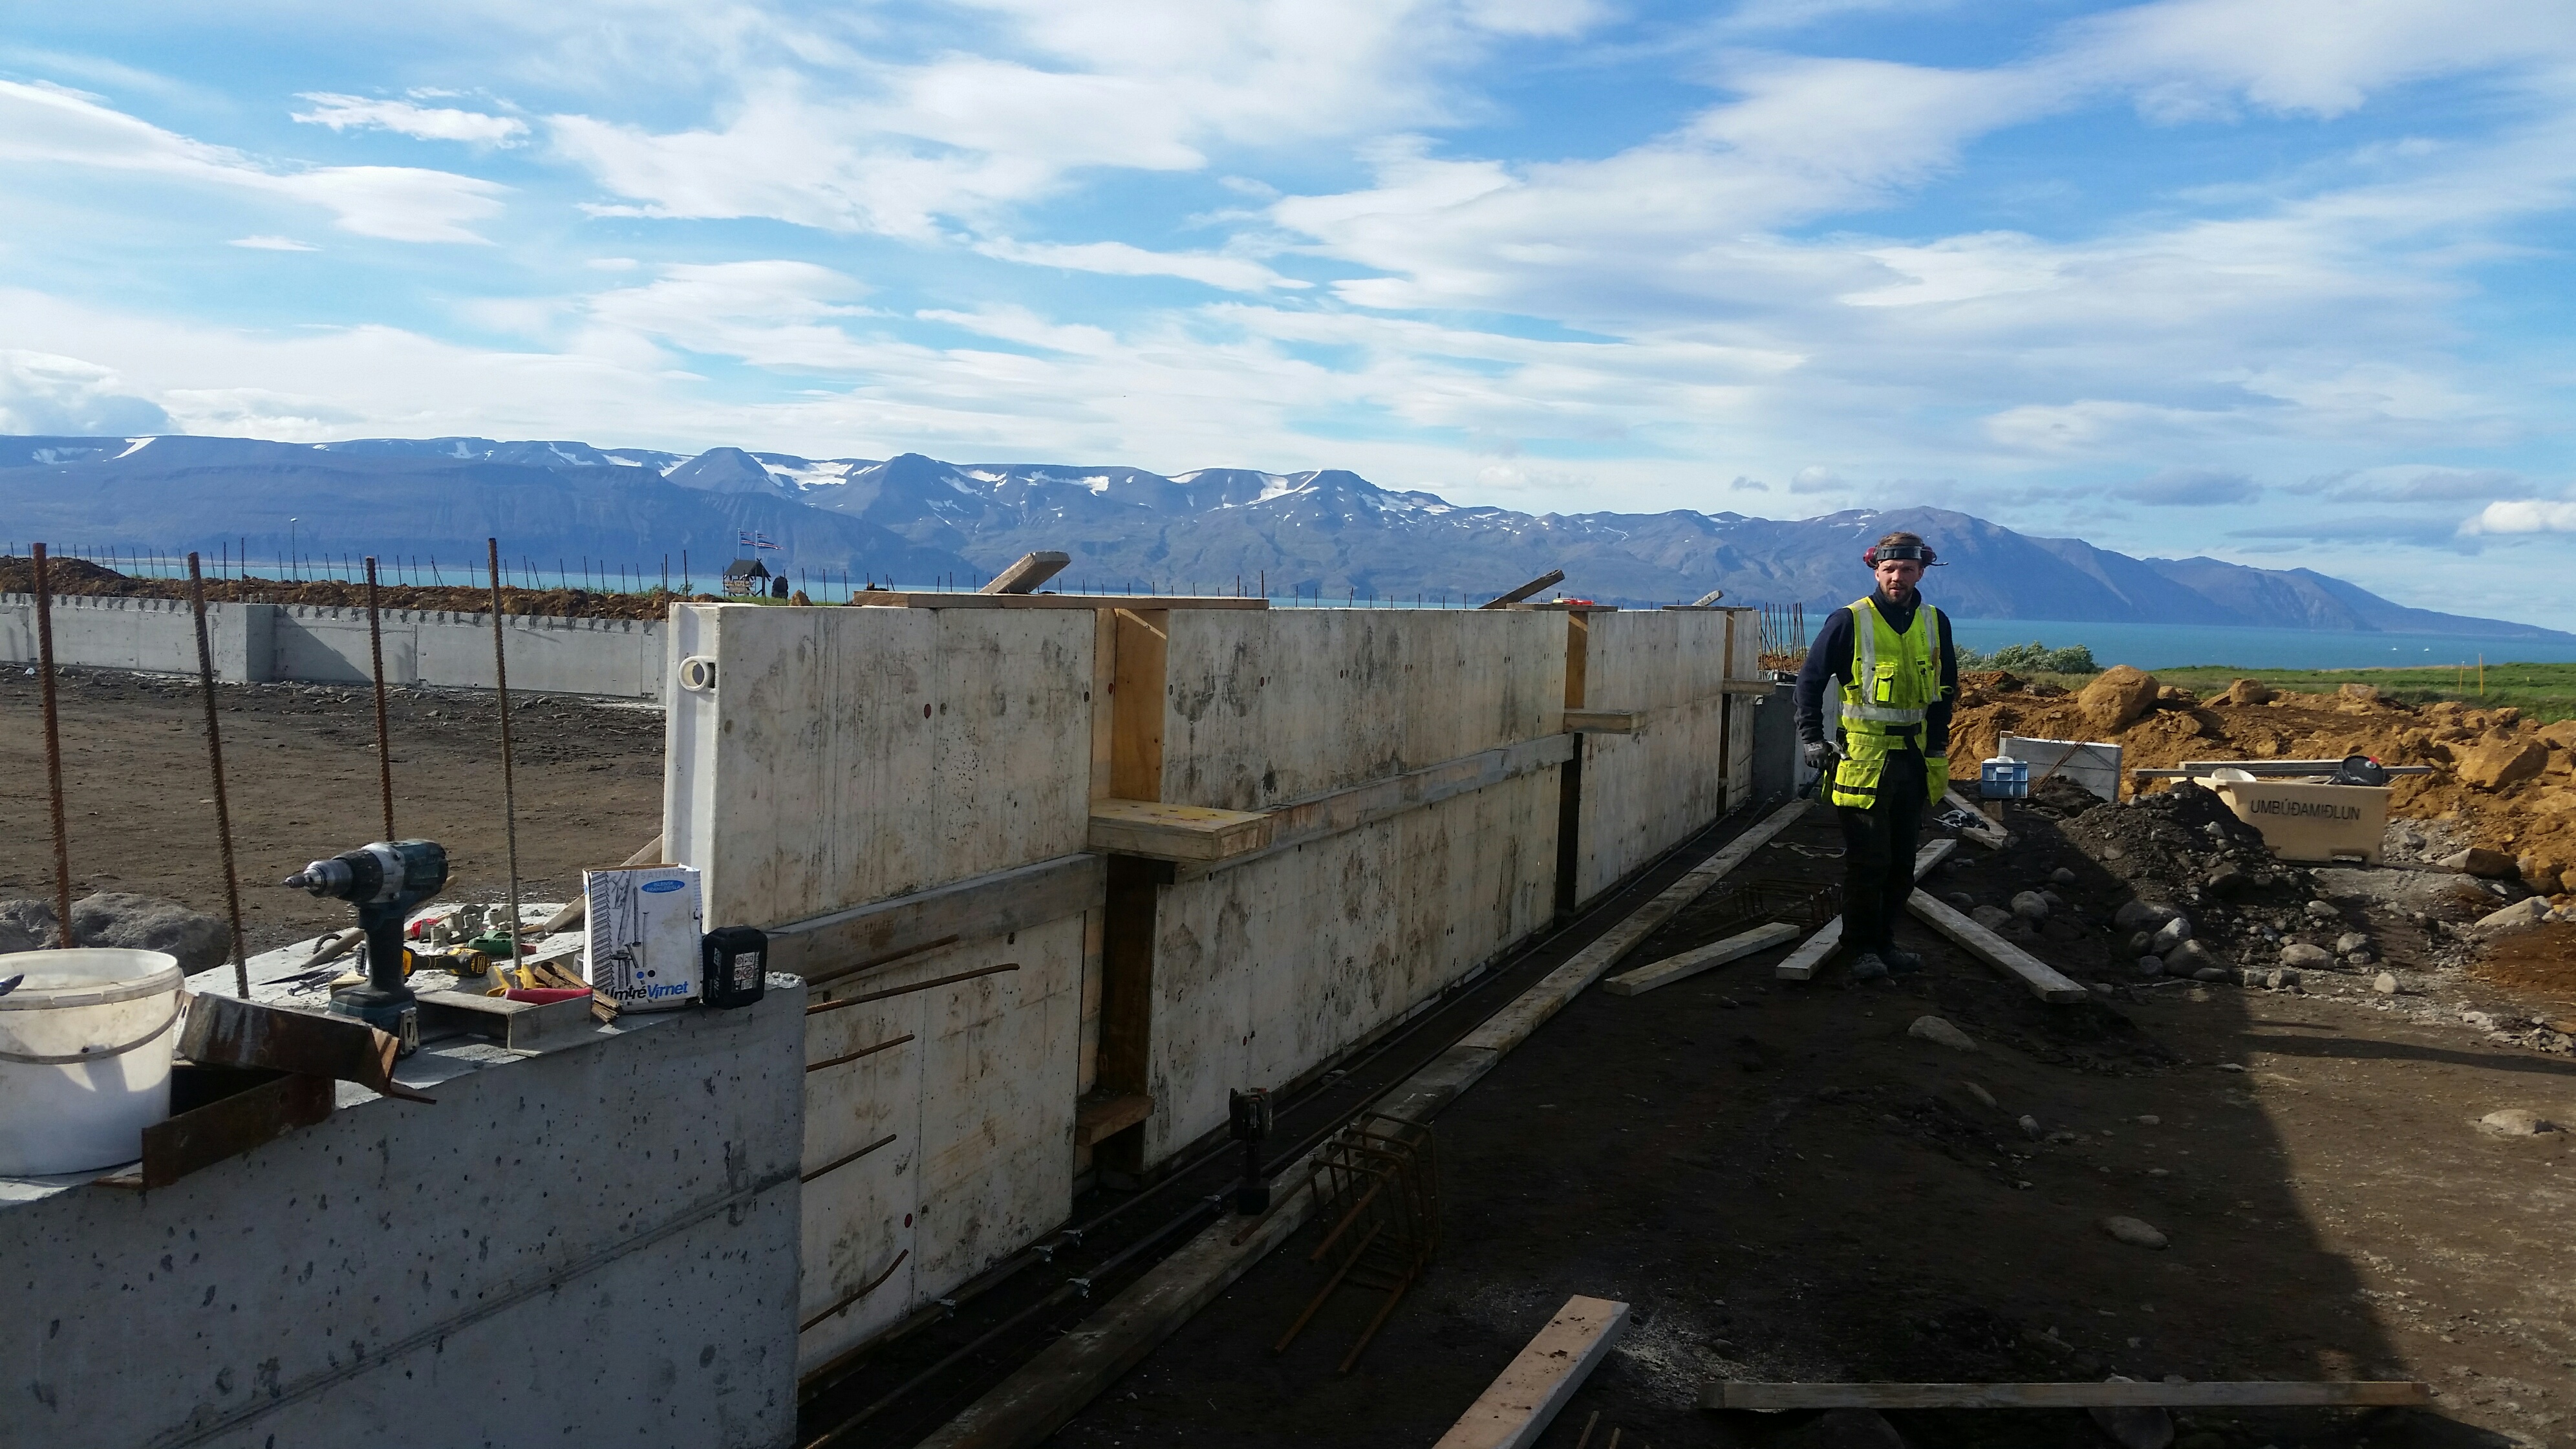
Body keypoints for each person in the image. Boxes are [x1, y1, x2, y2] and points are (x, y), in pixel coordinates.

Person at [1792, 530, 1959, 980]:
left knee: (1903, 862)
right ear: (1875, 570)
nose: (1897, 577)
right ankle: (1860, 947)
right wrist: (1812, 736)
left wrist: (1939, 744)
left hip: (1912, 759)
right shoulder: (1850, 621)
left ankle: (1886, 942)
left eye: (1906, 569)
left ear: (1921, 571)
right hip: (1862, 762)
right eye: (1889, 569)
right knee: (1868, 861)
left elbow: (1945, 691)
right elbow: (1809, 682)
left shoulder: (1934, 622)